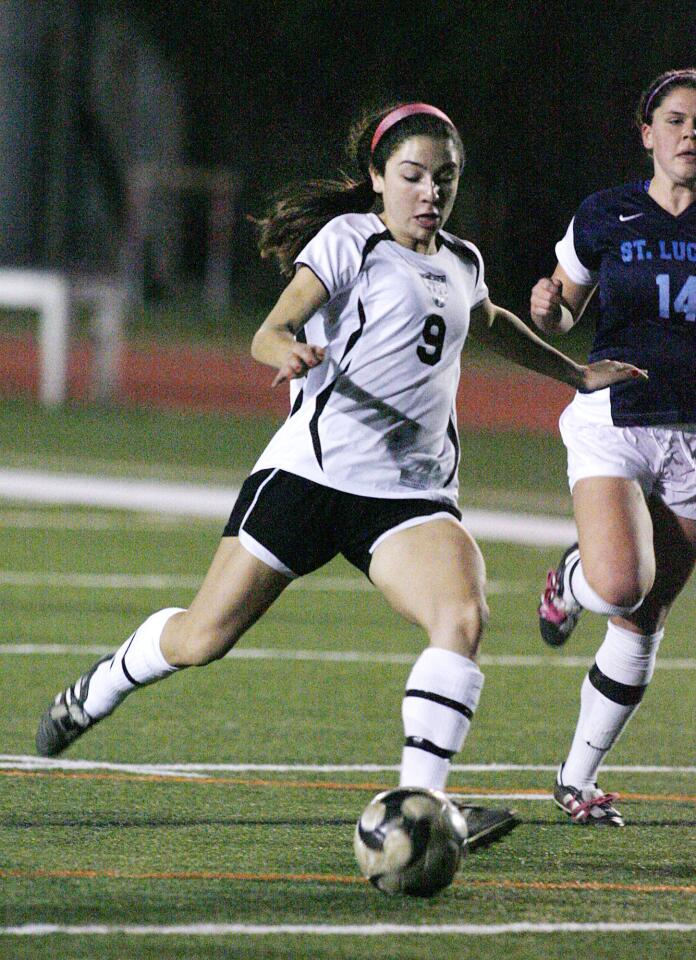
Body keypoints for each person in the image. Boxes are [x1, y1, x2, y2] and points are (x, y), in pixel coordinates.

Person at [35, 101, 641, 850]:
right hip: (312, 478)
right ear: (378, 179)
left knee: (462, 616)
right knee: (200, 639)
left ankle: (419, 807)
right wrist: (283, 351)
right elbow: (272, 327)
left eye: (444, 179)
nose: (430, 192)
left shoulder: (463, 261)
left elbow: (491, 325)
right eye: (413, 175)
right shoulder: (350, 240)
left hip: (410, 497)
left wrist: (576, 375)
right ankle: (101, 686)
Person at [533, 69, 696, 826]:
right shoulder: (608, 214)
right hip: (615, 418)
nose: (688, 133)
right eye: (674, 119)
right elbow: (562, 305)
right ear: (647, 133)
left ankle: (575, 778)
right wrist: (549, 308)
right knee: (621, 583)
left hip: (693, 438)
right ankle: (572, 577)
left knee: (645, 616)